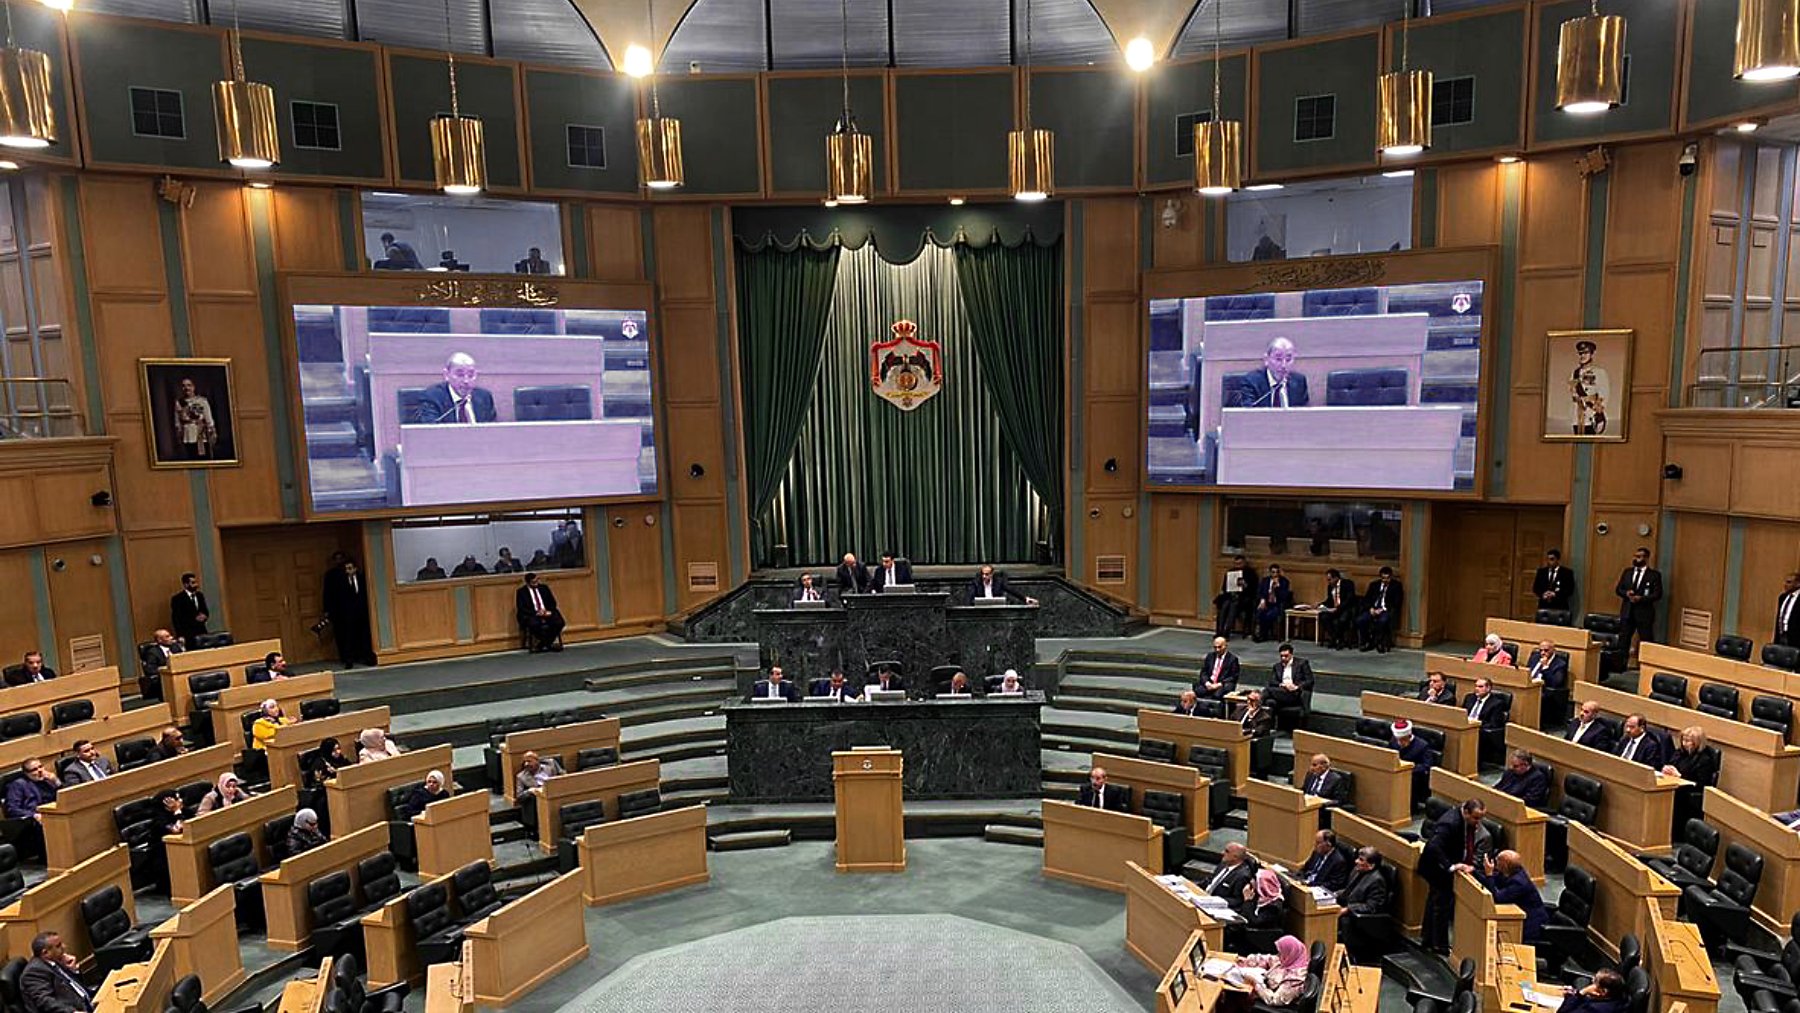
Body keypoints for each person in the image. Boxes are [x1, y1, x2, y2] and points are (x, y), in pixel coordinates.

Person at [1422, 799, 1491, 954]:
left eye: (1481, 818)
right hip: (1437, 868)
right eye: (1476, 818)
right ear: (1466, 812)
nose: (1479, 822)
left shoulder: (1460, 817)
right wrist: (1450, 866)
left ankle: (1428, 939)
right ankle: (1439, 945)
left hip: (1436, 866)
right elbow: (1434, 846)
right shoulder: (1451, 823)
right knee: (1441, 906)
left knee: (1434, 902)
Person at [1476, 850, 1547, 943]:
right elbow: (1493, 880)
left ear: (1504, 865)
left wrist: (1489, 875)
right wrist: (1473, 871)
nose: (1495, 861)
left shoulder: (1519, 882)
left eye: (1498, 860)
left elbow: (1498, 898)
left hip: (1530, 925)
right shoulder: (1510, 871)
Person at [1226, 935, 1310, 1008]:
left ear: (1289, 953)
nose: (1278, 955)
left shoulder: (1294, 981)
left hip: (1273, 1002)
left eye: (1281, 953)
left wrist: (1256, 984)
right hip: (1265, 985)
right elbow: (1268, 959)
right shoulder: (1292, 960)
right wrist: (1247, 960)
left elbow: (1274, 1000)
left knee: (1234, 994)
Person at [414, 352, 496, 425]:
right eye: (460, 375)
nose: (466, 381)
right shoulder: (432, 397)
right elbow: (430, 432)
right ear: (446, 375)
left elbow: (493, 431)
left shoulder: (484, 397)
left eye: (471, 375)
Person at [1663, 725, 1718, 831]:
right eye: (1683, 739)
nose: (1684, 743)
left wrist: (1680, 776)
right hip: (1675, 786)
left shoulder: (1705, 759)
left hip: (1689, 794)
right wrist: (1667, 769)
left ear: (1697, 742)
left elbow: (1702, 784)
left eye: (1688, 741)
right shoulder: (1680, 752)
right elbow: (1671, 764)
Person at [21, 932, 92, 1013]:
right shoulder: (34, 971)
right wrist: (72, 1012)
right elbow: (45, 1001)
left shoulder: (54, 960)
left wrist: (73, 970)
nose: (64, 947)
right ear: (45, 953)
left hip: (88, 1003)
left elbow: (74, 987)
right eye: (58, 946)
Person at [323, 559, 377, 668]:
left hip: (362, 613)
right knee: (349, 638)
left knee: (364, 637)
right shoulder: (340, 582)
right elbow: (336, 598)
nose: (348, 571)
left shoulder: (362, 579)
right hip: (347, 615)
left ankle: (367, 658)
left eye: (350, 568)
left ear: (355, 569)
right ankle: (349, 660)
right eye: (346, 569)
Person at [1234, 337, 1310, 408]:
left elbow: (1304, 415)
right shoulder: (1251, 382)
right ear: (1266, 359)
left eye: (1288, 359)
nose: (1284, 365)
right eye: (1278, 359)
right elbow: (1248, 414)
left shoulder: (1299, 382)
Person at [4, 759, 58, 860]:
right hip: (35, 818)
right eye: (34, 770)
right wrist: (33, 815)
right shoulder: (18, 785)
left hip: (52, 812)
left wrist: (56, 781)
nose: (40, 771)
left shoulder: (48, 780)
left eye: (41, 767)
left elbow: (63, 796)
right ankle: (51, 858)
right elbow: (12, 809)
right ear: (26, 773)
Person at [1615, 546, 1663, 650]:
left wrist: (1641, 599)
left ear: (1646, 558)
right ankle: (1620, 665)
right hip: (1627, 613)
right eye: (1635, 556)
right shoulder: (1627, 572)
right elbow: (1618, 589)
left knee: (1646, 642)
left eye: (1639, 557)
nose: (1635, 559)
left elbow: (1657, 594)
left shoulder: (1654, 575)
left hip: (1644, 614)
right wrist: (1626, 593)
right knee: (1623, 642)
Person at [1227, 869, 1288, 952]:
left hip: (1257, 940)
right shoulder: (1259, 897)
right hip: (1246, 934)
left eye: (1254, 883)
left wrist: (1247, 901)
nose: (1250, 886)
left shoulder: (1274, 907)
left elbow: (1254, 922)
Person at [170, 376, 218, 461]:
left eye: (189, 385)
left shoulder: (202, 401)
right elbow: (177, 421)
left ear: (193, 387)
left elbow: (208, 418)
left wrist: (212, 431)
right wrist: (179, 434)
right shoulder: (179, 403)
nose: (186, 388)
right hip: (187, 436)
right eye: (184, 386)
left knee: (203, 460)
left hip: (200, 435)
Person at [1357, 567, 1404, 653]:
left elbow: (1397, 602)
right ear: (1380, 577)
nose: (1385, 580)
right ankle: (1367, 641)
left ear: (1391, 577)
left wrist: (1382, 610)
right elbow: (1366, 599)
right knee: (1361, 620)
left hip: (1386, 610)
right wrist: (1371, 608)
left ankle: (1379, 642)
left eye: (1387, 578)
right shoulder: (1374, 585)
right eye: (1383, 578)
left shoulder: (1396, 586)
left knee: (1382, 621)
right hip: (1373, 609)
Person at [516, 572, 566, 653]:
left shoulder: (544, 588)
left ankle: (542, 644)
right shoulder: (521, 592)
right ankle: (548, 644)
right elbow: (522, 608)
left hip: (546, 612)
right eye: (533, 582)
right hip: (532, 614)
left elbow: (552, 603)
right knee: (534, 624)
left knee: (559, 622)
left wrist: (547, 611)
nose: (536, 583)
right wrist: (536, 612)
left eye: (537, 581)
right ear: (528, 583)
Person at [1569, 339, 1610, 436]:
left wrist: (1599, 408)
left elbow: (1604, 391)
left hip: (1591, 413)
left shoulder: (1599, 372)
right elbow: (1573, 391)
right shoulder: (1575, 373)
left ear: (1591, 354)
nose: (1583, 356)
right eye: (1581, 353)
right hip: (1577, 414)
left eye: (1586, 353)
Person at [1392, 720, 1436, 804]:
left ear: (1409, 736)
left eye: (1402, 740)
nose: (1399, 743)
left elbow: (1427, 766)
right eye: (1398, 740)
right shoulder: (1394, 742)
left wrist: (1408, 768)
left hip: (1414, 776)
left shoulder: (1422, 746)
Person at [1213, 555, 1258, 638]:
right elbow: (1224, 587)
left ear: (1244, 563)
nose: (1238, 566)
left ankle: (1227, 632)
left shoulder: (1250, 573)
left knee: (1233, 606)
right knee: (1224, 605)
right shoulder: (1230, 572)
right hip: (1230, 596)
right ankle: (1219, 631)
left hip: (1243, 597)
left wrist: (1245, 585)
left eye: (1240, 563)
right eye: (1236, 564)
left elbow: (1253, 589)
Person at [1265, 643, 1314, 712]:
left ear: (1291, 654)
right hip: (1281, 692)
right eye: (1281, 656)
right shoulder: (1277, 666)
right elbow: (1272, 681)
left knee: (1268, 690)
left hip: (1295, 693)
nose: (1283, 658)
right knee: (1269, 694)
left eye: (1286, 656)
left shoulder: (1302, 663)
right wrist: (1282, 685)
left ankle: (1254, 703)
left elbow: (1310, 680)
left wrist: (1296, 687)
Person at [1318, 569, 1358, 649]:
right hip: (1334, 609)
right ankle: (1334, 638)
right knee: (1323, 617)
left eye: (1329, 579)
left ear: (1336, 578)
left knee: (1341, 620)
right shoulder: (1330, 587)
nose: (1328, 582)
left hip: (1345, 609)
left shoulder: (1348, 584)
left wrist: (1338, 608)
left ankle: (1340, 640)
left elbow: (1349, 599)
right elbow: (1329, 600)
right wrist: (1321, 604)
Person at [1252, 565, 1293, 642]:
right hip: (1266, 603)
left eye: (1277, 572)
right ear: (1270, 572)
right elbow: (1259, 592)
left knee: (1268, 615)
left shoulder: (1284, 582)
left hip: (1277, 605)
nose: (1275, 574)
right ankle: (1259, 634)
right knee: (1260, 613)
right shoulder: (1265, 581)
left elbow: (1284, 597)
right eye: (1273, 572)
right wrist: (1262, 600)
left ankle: (1263, 635)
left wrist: (1277, 588)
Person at [1560, 969, 1629, 1013]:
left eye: (1595, 982)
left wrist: (1582, 992)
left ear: (1603, 991)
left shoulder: (1595, 1009)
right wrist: (1575, 994)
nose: (1592, 981)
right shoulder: (1619, 998)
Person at [170, 572, 210, 646]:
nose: (196, 585)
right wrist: (180, 635)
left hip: (201, 631)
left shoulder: (199, 595)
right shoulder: (178, 599)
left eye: (196, 582)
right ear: (186, 584)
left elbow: (205, 611)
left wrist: (204, 616)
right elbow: (176, 618)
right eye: (193, 583)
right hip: (187, 633)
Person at [968, 564, 1037, 605]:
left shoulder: (998, 582)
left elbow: (1011, 590)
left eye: (986, 574)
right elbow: (971, 598)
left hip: (997, 610)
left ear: (992, 574)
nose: (984, 576)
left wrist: (1025, 599)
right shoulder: (976, 582)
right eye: (982, 574)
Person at [1777, 572, 1800, 649]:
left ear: (1798, 584)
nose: (1785, 585)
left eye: (1789, 582)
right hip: (1781, 636)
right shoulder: (1782, 597)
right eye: (1785, 582)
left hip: (1795, 639)